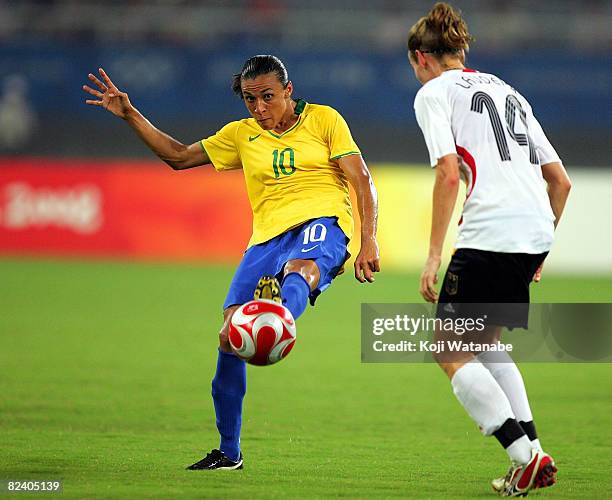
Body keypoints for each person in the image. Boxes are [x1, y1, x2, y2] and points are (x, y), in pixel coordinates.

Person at [82, 55, 380, 470]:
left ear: (288, 91)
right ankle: (229, 452)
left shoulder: (325, 120)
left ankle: (280, 319)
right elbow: (179, 157)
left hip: (323, 220)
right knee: (228, 337)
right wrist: (130, 114)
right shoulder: (240, 135)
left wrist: (369, 241)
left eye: (268, 97)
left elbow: (360, 177)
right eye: (249, 99)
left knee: (301, 272)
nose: (259, 108)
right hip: (265, 239)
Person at [407, 3, 571, 497]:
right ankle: (534, 453)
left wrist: (434, 255)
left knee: (447, 349)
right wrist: (538, 252)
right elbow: (560, 183)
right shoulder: (509, 91)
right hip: (533, 233)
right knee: (487, 345)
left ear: (421, 58)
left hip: (489, 233)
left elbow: (448, 171)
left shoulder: (434, 93)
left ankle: (523, 458)